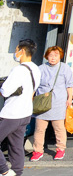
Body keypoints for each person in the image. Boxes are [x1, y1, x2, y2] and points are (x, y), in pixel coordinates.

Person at [0, 38, 41, 176]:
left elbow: (5, 91)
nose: (15, 53)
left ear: (22, 51)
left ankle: (4, 171)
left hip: (11, 113)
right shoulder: (36, 68)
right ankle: (16, 171)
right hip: (25, 112)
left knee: (14, 143)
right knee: (16, 144)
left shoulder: (18, 70)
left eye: (16, 50)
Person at [30, 46, 73, 162]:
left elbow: (69, 85)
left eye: (56, 55)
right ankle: (37, 151)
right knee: (39, 128)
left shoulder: (64, 68)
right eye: (51, 55)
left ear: (60, 56)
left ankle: (60, 149)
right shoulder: (41, 68)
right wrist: (31, 98)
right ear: (46, 56)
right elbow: (34, 86)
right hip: (42, 103)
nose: (53, 58)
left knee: (59, 128)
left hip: (58, 102)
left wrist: (70, 99)